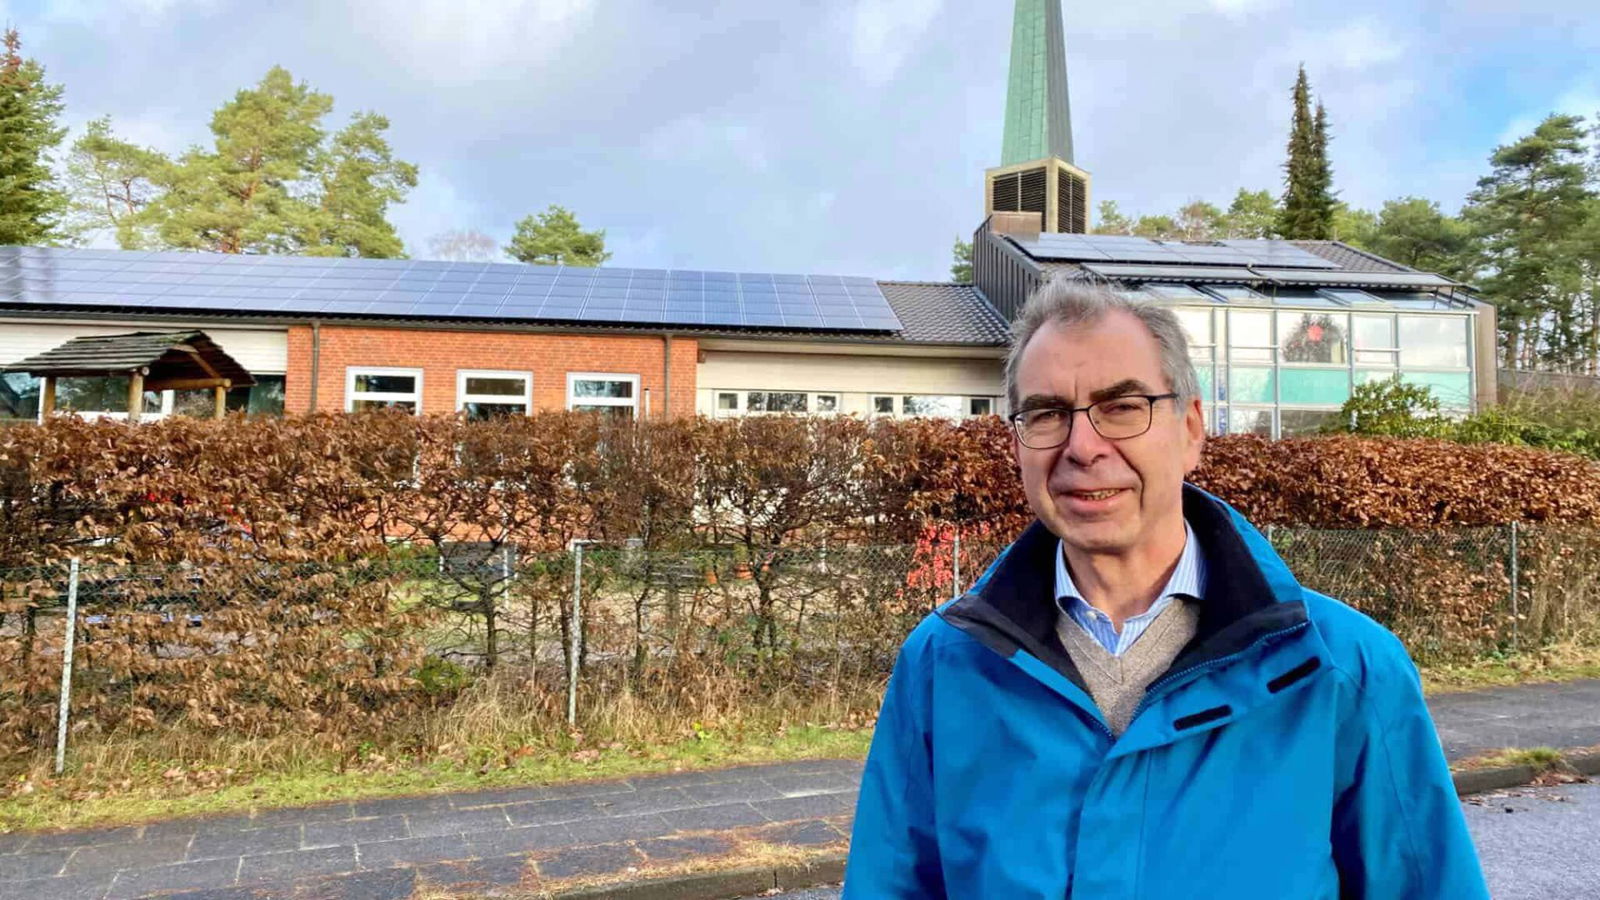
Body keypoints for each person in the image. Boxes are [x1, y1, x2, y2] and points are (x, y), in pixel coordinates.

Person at [842, 280, 1489, 898]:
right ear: (1017, 443)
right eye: (1046, 414)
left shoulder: (1340, 669)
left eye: (1121, 407)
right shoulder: (943, 667)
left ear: (1190, 430)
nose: (1082, 446)